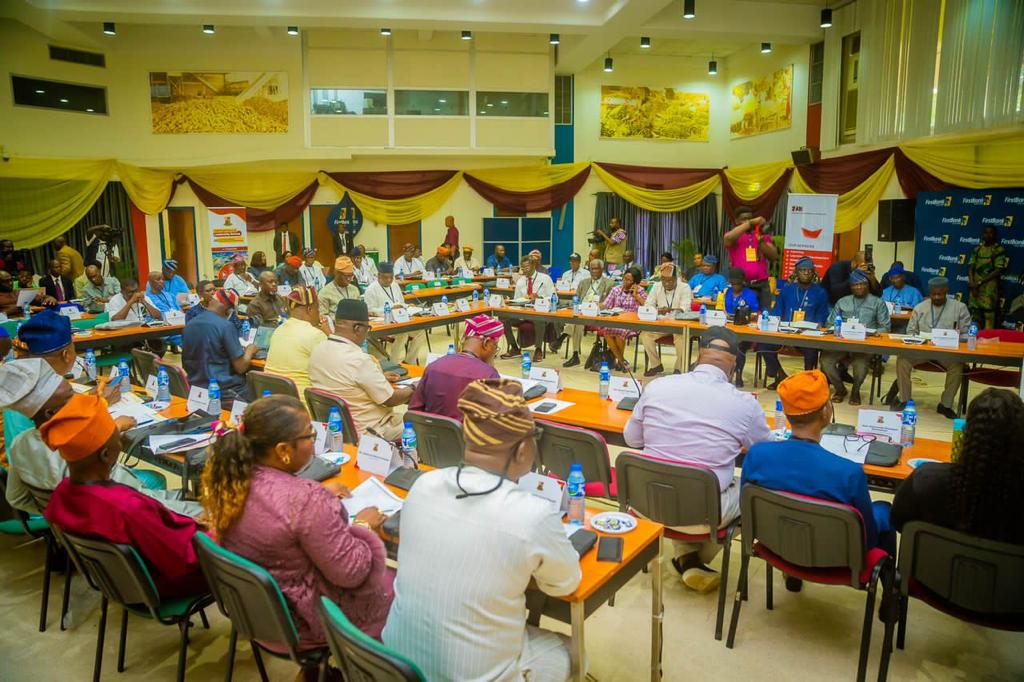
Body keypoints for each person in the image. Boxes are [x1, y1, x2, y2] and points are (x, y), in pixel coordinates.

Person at [383, 379, 581, 681]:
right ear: (523, 449)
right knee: (572, 650)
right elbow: (565, 584)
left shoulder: (424, 485)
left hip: (397, 666)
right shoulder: (531, 514)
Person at [202, 396, 394, 646]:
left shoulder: (232, 479)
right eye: (310, 436)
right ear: (282, 450)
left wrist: (316, 495)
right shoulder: (306, 500)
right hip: (308, 622)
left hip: (260, 615)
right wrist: (364, 526)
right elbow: (351, 573)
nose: (313, 443)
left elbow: (276, 509)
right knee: (402, 586)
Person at [625, 327, 771, 592]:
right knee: (754, 492)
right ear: (733, 365)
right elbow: (766, 455)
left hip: (646, 502)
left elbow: (632, 439)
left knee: (679, 476)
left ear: (698, 356)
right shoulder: (744, 404)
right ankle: (690, 560)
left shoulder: (658, 386)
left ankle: (687, 558)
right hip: (704, 514)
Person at [742, 370, 896, 593]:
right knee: (884, 510)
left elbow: (747, 512)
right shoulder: (849, 472)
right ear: (826, 412)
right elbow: (867, 538)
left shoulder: (757, 455)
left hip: (774, 546)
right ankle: (891, 593)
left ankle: (793, 574)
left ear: (786, 414)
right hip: (837, 561)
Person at [42, 393, 208, 598]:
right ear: (106, 454)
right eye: (117, 439)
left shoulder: (62, 493)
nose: (120, 443)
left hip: (115, 582)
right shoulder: (126, 507)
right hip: (160, 585)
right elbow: (185, 557)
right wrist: (212, 528)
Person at [0, 359, 200, 518]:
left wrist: (63, 521)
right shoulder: (85, 455)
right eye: (71, 396)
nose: (81, 398)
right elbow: (146, 507)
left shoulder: (20, 444)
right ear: (51, 413)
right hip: (144, 518)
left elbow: (17, 498)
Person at [892, 388, 1024, 545]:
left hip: (933, 560)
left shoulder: (927, 480)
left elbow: (899, 522)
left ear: (967, 432)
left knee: (881, 508)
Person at [308, 299, 414, 441]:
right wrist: (415, 387)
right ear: (358, 328)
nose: (366, 334)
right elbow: (390, 399)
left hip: (338, 429)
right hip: (371, 431)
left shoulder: (318, 350)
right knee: (424, 426)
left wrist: (379, 376)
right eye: (367, 329)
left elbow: (346, 381)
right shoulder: (358, 359)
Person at [894, 276, 972, 418]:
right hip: (923, 350)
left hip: (947, 352)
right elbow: (910, 332)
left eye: (940, 294)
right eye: (933, 294)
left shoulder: (960, 308)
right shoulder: (920, 308)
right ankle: (904, 399)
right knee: (902, 360)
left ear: (946, 291)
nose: (936, 297)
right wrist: (919, 340)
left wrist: (952, 338)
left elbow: (967, 334)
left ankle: (945, 405)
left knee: (957, 366)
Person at [409, 314, 502, 420]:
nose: (494, 352)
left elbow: (414, 411)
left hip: (432, 431)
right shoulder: (488, 375)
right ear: (486, 343)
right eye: (495, 347)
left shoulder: (433, 367)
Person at [820, 269, 891, 405]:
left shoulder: (878, 303)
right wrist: (839, 328)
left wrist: (871, 332)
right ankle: (840, 389)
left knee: (860, 365)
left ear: (868, 285)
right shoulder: (842, 302)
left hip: (864, 344)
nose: (858, 287)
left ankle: (855, 390)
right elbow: (829, 323)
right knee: (825, 360)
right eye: (855, 285)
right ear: (851, 287)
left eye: (862, 284)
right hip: (841, 343)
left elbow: (885, 327)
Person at [761, 257, 832, 389]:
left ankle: (806, 382)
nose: (806, 273)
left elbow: (821, 317)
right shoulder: (787, 290)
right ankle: (780, 376)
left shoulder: (820, 292)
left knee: (811, 349)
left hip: (807, 336)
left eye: (809, 270)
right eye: (802, 270)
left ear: (814, 273)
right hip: (785, 333)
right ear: (796, 272)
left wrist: (812, 328)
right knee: (764, 344)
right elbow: (776, 313)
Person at [182, 289, 258, 401]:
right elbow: (241, 367)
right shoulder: (226, 326)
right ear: (228, 310)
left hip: (196, 389)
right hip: (225, 391)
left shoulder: (189, 325)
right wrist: (249, 351)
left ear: (211, 301)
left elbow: (186, 363)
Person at [265, 286, 332, 404]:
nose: (319, 313)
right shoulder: (315, 335)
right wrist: (328, 333)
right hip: (302, 406)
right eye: (317, 309)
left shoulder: (278, 330)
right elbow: (335, 368)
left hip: (274, 404)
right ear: (310, 309)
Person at [363, 263, 426, 364]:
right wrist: (390, 309)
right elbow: (369, 310)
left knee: (420, 332)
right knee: (403, 333)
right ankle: (393, 363)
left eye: (391, 277)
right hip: (384, 324)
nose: (389, 280)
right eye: (385, 277)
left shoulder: (395, 285)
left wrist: (407, 306)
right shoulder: (371, 289)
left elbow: (401, 302)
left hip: (401, 320)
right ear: (378, 276)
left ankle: (409, 362)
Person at [640, 263, 693, 376]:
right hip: (661, 323)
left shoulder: (685, 287)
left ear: (676, 278)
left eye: (670, 281)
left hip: (679, 325)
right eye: (664, 280)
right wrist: (656, 310)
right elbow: (648, 304)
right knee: (645, 335)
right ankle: (656, 365)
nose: (666, 283)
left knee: (682, 337)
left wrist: (670, 310)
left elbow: (685, 309)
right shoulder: (657, 286)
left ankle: (679, 368)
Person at [500, 256, 555, 362]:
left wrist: (539, 298)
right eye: (522, 268)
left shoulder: (545, 278)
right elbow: (516, 299)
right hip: (523, 312)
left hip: (538, 311)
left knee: (539, 319)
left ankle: (538, 349)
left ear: (534, 265)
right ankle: (514, 348)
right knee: (503, 318)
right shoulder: (521, 281)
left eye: (527, 267)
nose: (524, 270)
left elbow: (553, 297)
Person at [724, 206, 778, 311]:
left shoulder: (760, 235)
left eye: (749, 218)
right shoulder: (734, 236)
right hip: (742, 285)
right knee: (742, 315)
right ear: (736, 221)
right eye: (744, 219)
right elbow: (728, 238)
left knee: (764, 315)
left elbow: (774, 256)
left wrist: (761, 242)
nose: (747, 221)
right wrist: (751, 222)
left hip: (761, 284)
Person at [563, 259, 615, 368]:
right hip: (582, 312)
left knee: (574, 322)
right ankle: (575, 355)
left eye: (597, 269)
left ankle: (562, 337)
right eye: (592, 269)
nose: (594, 271)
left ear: (602, 269)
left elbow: (610, 304)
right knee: (576, 323)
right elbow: (576, 299)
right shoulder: (583, 283)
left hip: (598, 315)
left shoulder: (609, 284)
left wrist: (598, 307)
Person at [601, 267, 647, 371]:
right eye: (625, 278)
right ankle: (622, 361)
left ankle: (620, 362)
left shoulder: (640, 291)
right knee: (607, 331)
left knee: (620, 332)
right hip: (617, 320)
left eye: (629, 280)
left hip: (632, 322)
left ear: (635, 282)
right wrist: (596, 305)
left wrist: (636, 296)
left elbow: (648, 306)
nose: (626, 282)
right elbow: (606, 305)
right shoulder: (616, 290)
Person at [722, 268, 760, 386]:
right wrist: (725, 314)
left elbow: (755, 314)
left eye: (737, 283)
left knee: (738, 346)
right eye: (732, 283)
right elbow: (722, 308)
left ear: (742, 282)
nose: (735, 286)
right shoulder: (727, 292)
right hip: (728, 327)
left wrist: (745, 316)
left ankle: (738, 374)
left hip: (745, 330)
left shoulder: (750, 294)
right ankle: (723, 374)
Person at [968, 225, 1009, 329]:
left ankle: (987, 338)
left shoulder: (998, 250)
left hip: (989, 289)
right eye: (986, 232)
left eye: (991, 233)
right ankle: (973, 337)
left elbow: (998, 270)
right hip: (975, 289)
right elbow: (971, 267)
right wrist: (972, 283)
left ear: (995, 235)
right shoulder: (977, 249)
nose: (988, 235)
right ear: (982, 234)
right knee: (974, 315)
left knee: (989, 316)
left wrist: (979, 283)